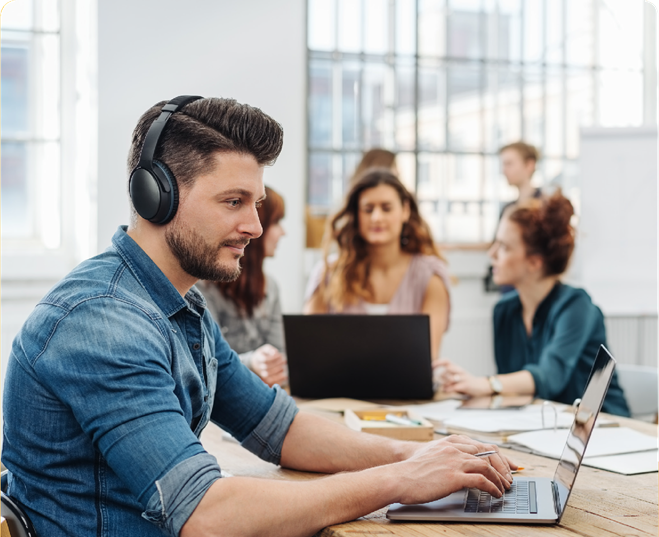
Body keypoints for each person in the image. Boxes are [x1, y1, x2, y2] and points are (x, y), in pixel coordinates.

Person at [2, 96, 516, 537]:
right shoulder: (101, 323)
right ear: (155, 196)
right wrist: (402, 481)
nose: (254, 225)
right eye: (234, 201)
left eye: (258, 203)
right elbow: (205, 514)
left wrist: (415, 457)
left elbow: (279, 427)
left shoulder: (181, 308)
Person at [438, 191, 630, 417]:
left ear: (534, 262)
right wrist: (462, 384)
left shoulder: (577, 306)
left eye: (504, 247)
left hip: (603, 430)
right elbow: (512, 390)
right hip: (543, 428)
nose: (492, 254)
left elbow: (551, 376)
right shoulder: (504, 311)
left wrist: (487, 384)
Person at [305, 168, 451, 359]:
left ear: (405, 211)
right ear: (357, 215)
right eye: (368, 209)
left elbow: (428, 356)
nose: (376, 217)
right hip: (336, 389)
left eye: (386, 208)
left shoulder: (431, 277)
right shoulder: (328, 273)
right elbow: (308, 349)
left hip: (406, 388)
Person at [197, 185, 287, 387]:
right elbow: (207, 364)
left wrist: (272, 365)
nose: (283, 232)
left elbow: (282, 360)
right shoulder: (203, 288)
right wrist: (252, 362)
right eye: (276, 222)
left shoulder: (270, 288)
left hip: (260, 394)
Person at [484, 141, 544, 293]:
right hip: (509, 287)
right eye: (503, 165)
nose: (504, 170)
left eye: (509, 164)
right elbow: (496, 244)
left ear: (529, 165)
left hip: (533, 287)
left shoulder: (545, 208)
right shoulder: (508, 209)